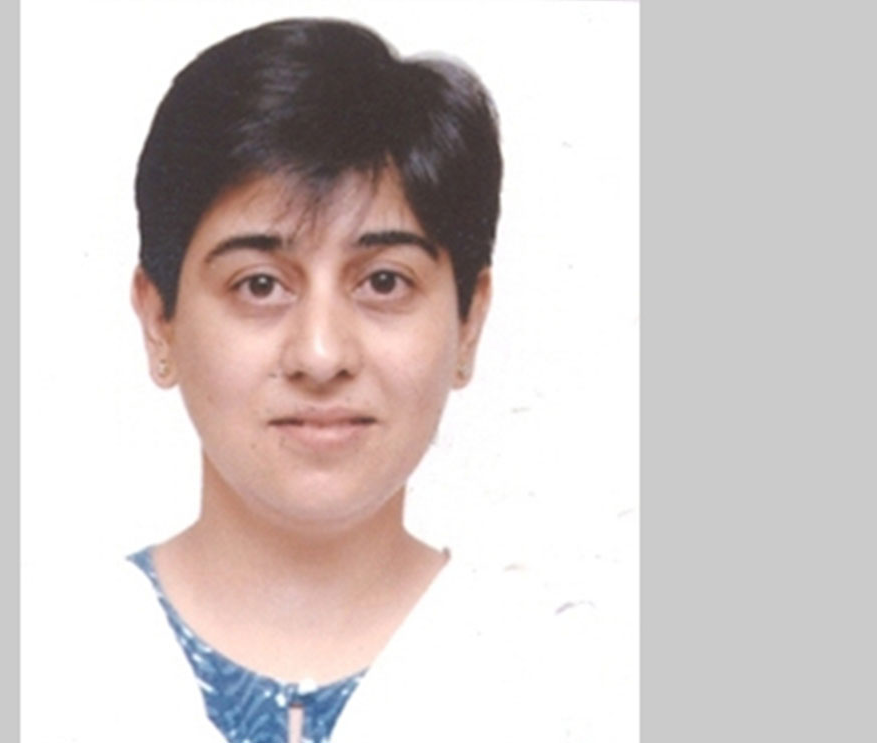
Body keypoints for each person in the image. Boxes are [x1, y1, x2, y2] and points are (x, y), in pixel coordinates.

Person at [91, 18, 599, 743]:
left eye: (384, 281)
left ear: (468, 323)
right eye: (260, 284)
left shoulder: (579, 690)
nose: (322, 354)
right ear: (158, 322)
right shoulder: (45, 663)